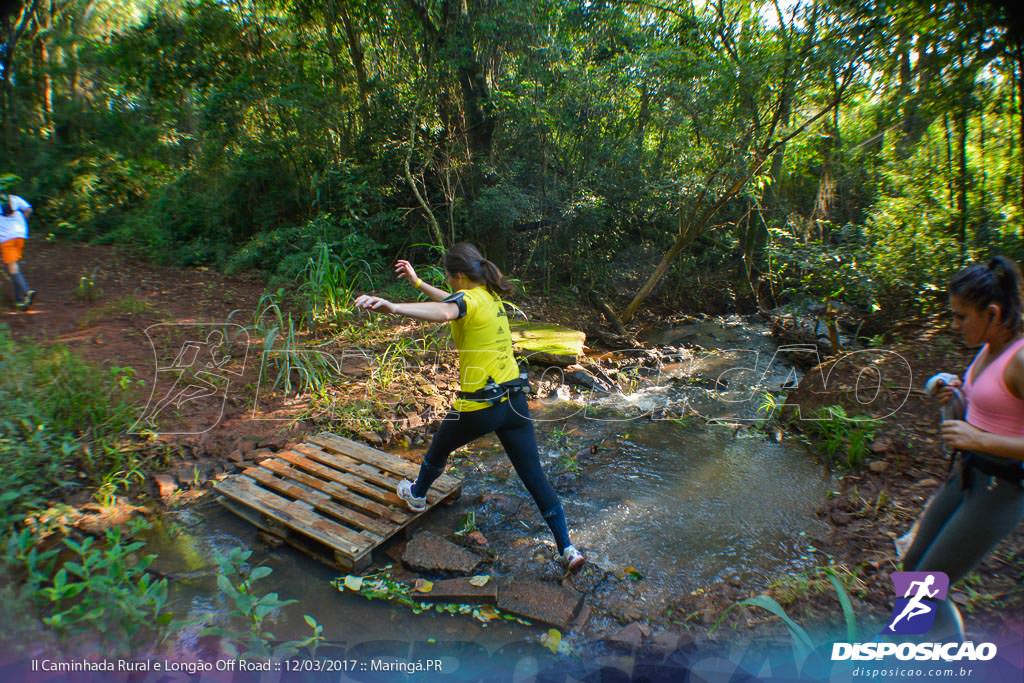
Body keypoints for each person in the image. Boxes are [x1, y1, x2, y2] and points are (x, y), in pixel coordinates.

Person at [354, 243, 586, 572]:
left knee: (438, 450)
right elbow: (453, 303)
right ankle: (567, 547)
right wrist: (418, 284)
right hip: (515, 404)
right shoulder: (491, 296)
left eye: (449, 278)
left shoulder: (465, 300)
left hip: (481, 406)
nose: (449, 284)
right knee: (535, 478)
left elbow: (448, 310)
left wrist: (393, 307)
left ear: (460, 276)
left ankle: (417, 494)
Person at [900, 256, 1024, 640]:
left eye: (960, 317)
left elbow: (989, 430)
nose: (954, 326)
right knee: (911, 569)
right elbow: (994, 409)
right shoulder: (988, 347)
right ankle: (911, 646)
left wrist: (979, 439)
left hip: (1001, 489)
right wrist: (954, 396)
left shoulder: (1020, 359)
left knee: (927, 585)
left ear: (992, 312)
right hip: (969, 474)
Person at [0, 183, 35, 310]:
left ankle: (27, 291)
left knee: (13, 268)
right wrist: (22, 222)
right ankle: (20, 301)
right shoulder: (14, 198)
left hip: (6, 238)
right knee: (14, 268)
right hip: (20, 234)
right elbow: (29, 209)